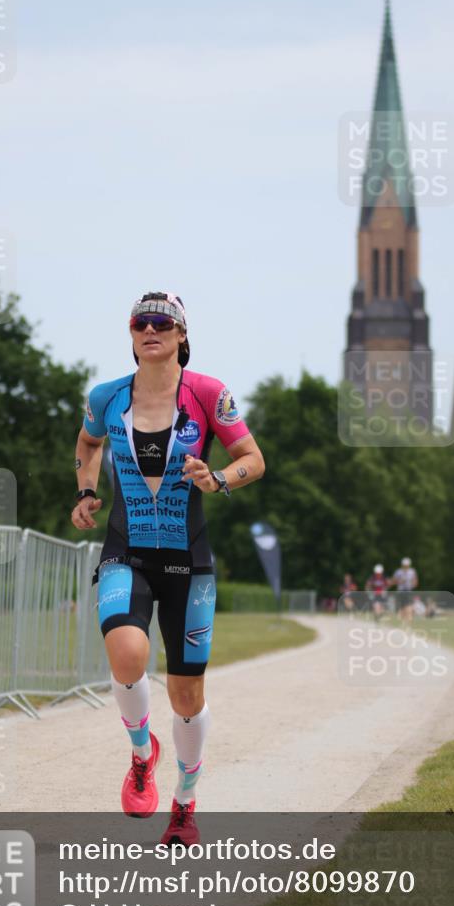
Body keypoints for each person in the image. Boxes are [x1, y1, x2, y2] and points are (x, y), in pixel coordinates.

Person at [71, 291, 265, 846]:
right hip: (126, 550)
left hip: (189, 560)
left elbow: (252, 458)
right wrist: (86, 490)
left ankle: (184, 803)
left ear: (182, 334)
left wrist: (220, 478)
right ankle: (140, 755)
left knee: (186, 696)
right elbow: (88, 444)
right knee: (127, 652)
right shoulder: (106, 396)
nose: (149, 329)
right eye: (140, 323)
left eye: (162, 323)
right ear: (131, 335)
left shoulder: (208, 393)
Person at [390, 557, 419, 623]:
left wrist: (413, 584)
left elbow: (415, 582)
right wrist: (400, 581)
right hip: (400, 591)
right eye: (404, 565)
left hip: (408, 591)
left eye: (407, 565)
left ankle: (407, 621)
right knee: (402, 607)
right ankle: (403, 621)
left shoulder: (412, 571)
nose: (406, 566)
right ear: (402, 565)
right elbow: (392, 581)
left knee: (408, 606)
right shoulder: (398, 572)